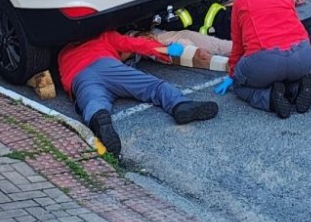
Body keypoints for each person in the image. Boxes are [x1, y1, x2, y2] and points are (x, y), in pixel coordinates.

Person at [58, 29, 219, 159]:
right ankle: (180, 105)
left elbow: (64, 79)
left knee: (93, 102)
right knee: (154, 87)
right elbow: (136, 44)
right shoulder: (104, 36)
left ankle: (99, 120)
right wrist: (164, 49)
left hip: (80, 76)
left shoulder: (62, 53)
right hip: (107, 65)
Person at [213, 0, 311, 118]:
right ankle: (297, 88)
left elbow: (238, 45)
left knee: (239, 85)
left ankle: (270, 99)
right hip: (304, 57)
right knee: (287, 72)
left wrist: (232, 74)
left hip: (266, 61)